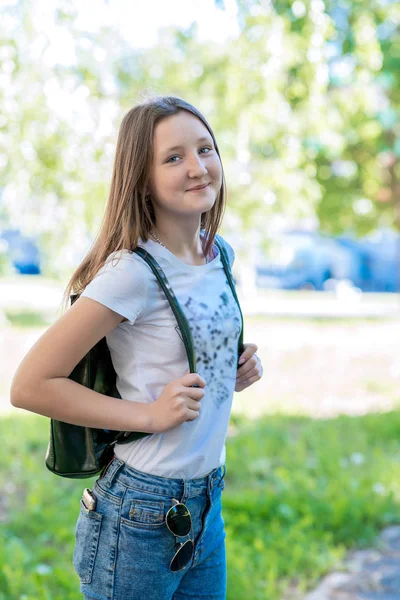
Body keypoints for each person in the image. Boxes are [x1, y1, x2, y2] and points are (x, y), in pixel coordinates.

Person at [10, 94, 264, 600]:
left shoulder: (220, 255)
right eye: (173, 158)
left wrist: (232, 367)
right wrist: (149, 415)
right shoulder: (131, 272)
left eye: (205, 149)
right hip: (140, 513)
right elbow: (29, 385)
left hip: (206, 500)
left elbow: (176, 349)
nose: (198, 167)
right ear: (141, 177)